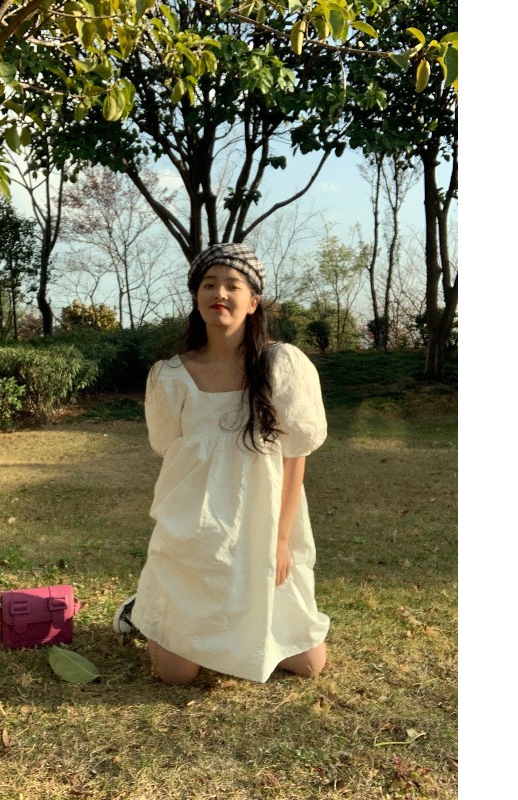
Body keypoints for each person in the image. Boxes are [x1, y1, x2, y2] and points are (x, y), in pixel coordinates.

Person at [112, 242, 330, 684]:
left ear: (253, 302)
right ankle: (143, 610)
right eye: (209, 284)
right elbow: (168, 447)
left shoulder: (282, 365)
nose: (220, 293)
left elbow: (296, 455)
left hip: (263, 522)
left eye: (233, 285)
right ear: (197, 298)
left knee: (309, 664)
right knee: (176, 674)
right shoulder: (171, 375)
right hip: (196, 525)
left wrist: (281, 540)